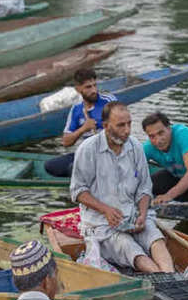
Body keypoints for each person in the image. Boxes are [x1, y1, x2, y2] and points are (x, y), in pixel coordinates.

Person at [70, 102, 175, 273]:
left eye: (129, 124)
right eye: (121, 125)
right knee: (130, 249)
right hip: (101, 224)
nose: (127, 130)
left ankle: (171, 277)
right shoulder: (88, 149)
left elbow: (144, 188)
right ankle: (164, 279)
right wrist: (106, 210)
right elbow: (78, 191)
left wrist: (141, 213)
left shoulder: (135, 147)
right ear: (105, 126)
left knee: (156, 240)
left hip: (133, 217)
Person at [44, 68, 117, 177]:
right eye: (88, 87)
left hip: (107, 153)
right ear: (78, 89)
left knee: (73, 168)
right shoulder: (76, 109)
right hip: (87, 154)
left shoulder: (108, 101)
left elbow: (121, 129)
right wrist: (83, 128)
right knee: (50, 165)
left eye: (94, 85)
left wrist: (101, 125)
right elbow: (66, 142)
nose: (94, 90)